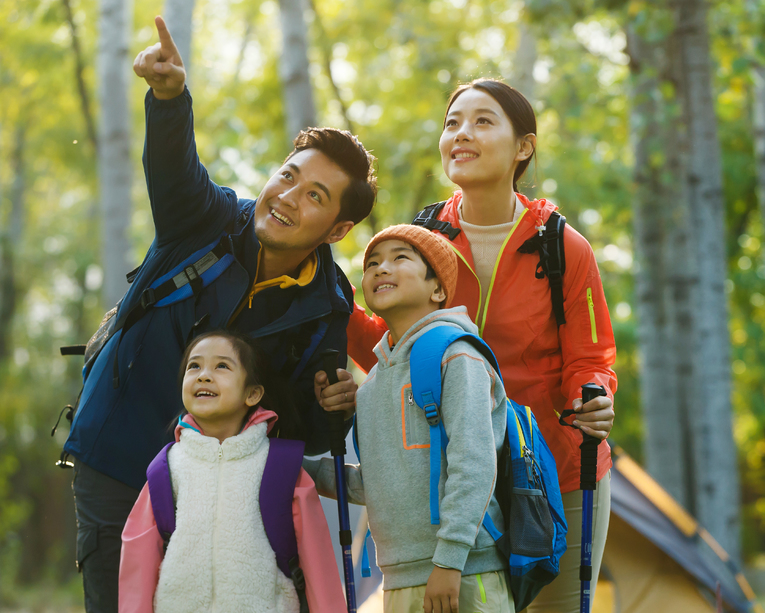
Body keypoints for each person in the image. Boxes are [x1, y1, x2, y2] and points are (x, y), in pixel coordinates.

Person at [63, 16, 368, 612]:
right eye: (289, 175)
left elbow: (303, 425)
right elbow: (175, 170)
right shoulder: (207, 220)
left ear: (338, 229)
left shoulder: (326, 304)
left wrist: (338, 411)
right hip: (119, 455)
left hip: (223, 492)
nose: (286, 196)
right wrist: (169, 97)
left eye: (314, 196)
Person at [345, 79, 617, 611]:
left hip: (555, 475)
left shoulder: (562, 247)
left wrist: (594, 394)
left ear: (524, 146)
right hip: (450, 483)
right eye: (452, 123)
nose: (461, 134)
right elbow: (396, 349)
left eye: (483, 121)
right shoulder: (424, 236)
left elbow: (590, 357)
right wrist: (333, 306)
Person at [307, 224, 515, 613]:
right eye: (372, 263)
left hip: (464, 572)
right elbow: (376, 485)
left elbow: (474, 463)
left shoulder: (456, 355)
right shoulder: (371, 387)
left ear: (438, 290)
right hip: (398, 577)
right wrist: (294, 468)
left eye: (400, 258)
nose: (381, 268)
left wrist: (449, 561)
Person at [118, 330, 346, 612]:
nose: (203, 375)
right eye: (194, 366)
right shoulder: (165, 470)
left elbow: (317, 561)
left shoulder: (281, 467)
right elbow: (138, 565)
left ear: (252, 394)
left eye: (221, 366)